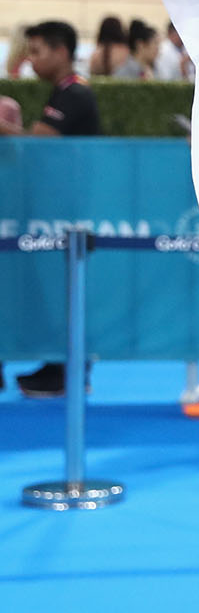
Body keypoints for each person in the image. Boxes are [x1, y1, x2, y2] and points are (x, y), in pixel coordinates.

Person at [1, 20, 102, 398]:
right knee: (49, 290)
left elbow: (37, 144)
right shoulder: (61, 93)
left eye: (37, 50)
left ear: (61, 52)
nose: (30, 59)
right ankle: (59, 366)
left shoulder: (74, 94)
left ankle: (68, 371)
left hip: (65, 214)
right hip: (55, 211)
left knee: (62, 290)